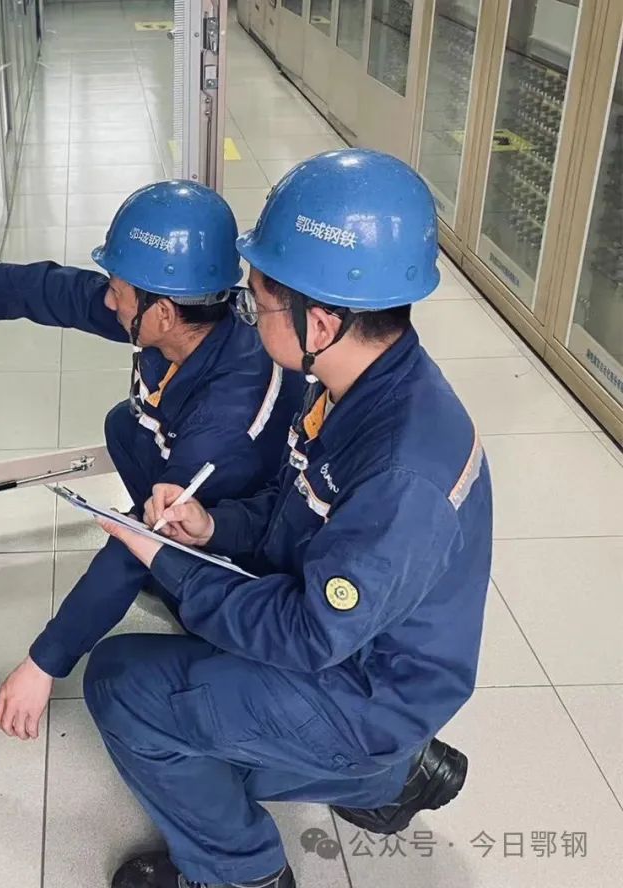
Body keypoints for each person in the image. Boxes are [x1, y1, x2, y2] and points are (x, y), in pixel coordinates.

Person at [93, 150, 492, 888]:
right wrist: (213, 529)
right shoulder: (352, 385)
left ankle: (246, 872)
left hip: (363, 688)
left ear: (322, 320)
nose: (246, 317)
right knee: (206, 663)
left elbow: (308, 633)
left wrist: (171, 566)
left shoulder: (402, 470)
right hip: (358, 643)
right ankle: (389, 777)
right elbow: (295, 509)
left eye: (258, 302)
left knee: (123, 688)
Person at [0, 181, 304, 740]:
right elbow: (64, 293)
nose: (110, 301)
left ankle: (204, 586)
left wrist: (44, 662)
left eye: (119, 292)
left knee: (150, 535)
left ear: (163, 313)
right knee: (126, 425)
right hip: (206, 469)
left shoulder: (227, 419)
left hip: (255, 537)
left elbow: (140, 537)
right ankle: (172, 558)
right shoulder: (195, 314)